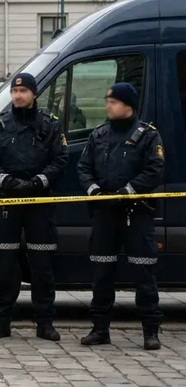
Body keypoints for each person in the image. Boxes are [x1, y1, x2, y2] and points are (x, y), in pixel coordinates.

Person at [0, 72, 67, 342]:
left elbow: (60, 158)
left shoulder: (50, 125)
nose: (17, 96)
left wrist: (39, 181)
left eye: (23, 92)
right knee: (4, 266)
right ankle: (1, 322)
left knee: (41, 267)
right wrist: (6, 180)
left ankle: (45, 324)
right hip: (7, 202)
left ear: (34, 94)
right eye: (14, 92)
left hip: (38, 203)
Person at [77, 82, 164, 350]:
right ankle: (100, 328)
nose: (108, 105)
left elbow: (155, 169)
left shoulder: (148, 135)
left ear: (129, 105)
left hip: (135, 214)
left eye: (113, 101)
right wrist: (93, 190)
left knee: (143, 275)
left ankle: (151, 331)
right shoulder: (99, 135)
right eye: (108, 101)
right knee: (102, 274)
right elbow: (83, 166)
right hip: (104, 214)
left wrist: (128, 190)